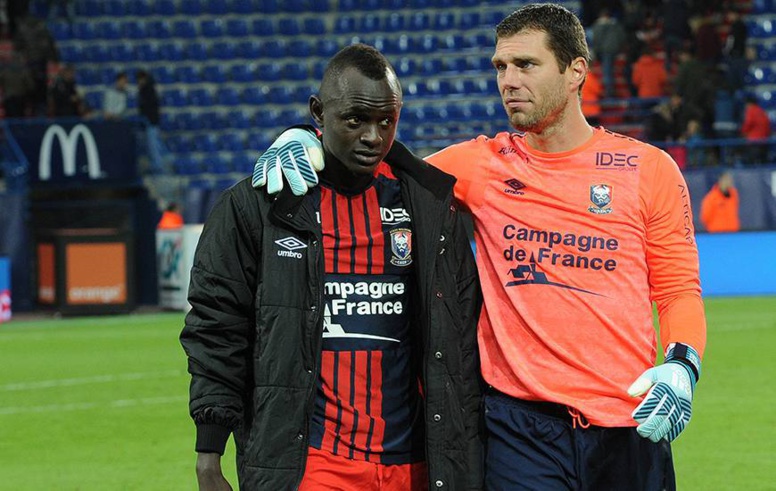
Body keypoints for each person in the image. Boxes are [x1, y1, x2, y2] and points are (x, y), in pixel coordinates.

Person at [253, 4, 707, 490]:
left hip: (630, 419)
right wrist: (307, 136)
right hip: (519, 431)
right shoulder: (480, 167)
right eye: (500, 67)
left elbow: (678, 287)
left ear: (576, 70)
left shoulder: (648, 169)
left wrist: (681, 365)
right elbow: (370, 160)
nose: (508, 80)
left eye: (526, 65)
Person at [180, 44, 483, 491]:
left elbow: (459, 345)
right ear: (318, 112)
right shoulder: (258, 207)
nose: (373, 137)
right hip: (313, 464)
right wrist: (209, 456)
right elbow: (217, 327)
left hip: (416, 466)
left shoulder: (429, 209)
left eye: (387, 121)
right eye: (355, 119)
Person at [136, 69, 167, 173]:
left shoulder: (147, 90)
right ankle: (157, 164)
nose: (139, 81)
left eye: (140, 79)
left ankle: (157, 166)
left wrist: (147, 118)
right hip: (151, 121)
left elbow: (149, 107)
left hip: (151, 121)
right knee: (153, 144)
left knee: (153, 144)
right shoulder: (148, 89)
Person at [740, 94, 772, 164]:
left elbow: (748, 123)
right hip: (764, 140)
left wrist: (742, 132)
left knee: (752, 162)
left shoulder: (751, 110)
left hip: (754, 140)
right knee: (763, 162)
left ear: (749, 103)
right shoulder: (761, 111)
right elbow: (768, 124)